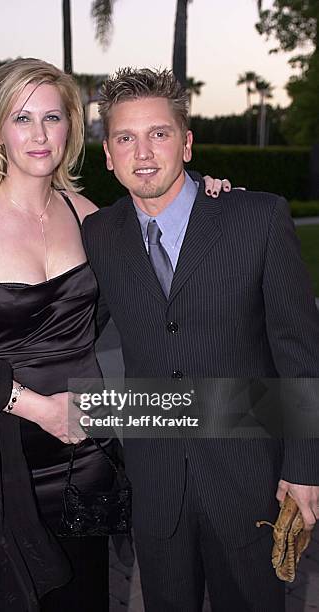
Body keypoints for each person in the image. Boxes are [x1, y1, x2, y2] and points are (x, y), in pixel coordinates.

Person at [0, 59, 228, 611]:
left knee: (84, 595)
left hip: (84, 454)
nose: (39, 135)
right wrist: (39, 409)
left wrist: (210, 199)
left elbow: (166, 252)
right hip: (0, 455)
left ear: (71, 128)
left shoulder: (90, 216)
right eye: (21, 118)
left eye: (53, 117)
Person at [81, 67, 319, 612]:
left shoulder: (256, 218)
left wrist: (305, 468)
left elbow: (300, 352)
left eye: (159, 133)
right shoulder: (100, 234)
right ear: (110, 155)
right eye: (125, 137)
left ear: (187, 143)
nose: (143, 152)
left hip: (248, 478)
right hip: (156, 481)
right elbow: (71, 326)